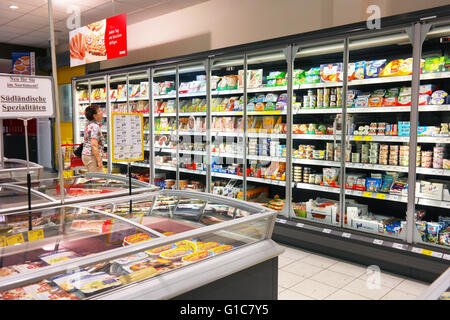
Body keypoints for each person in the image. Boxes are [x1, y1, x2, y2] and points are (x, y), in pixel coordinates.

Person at [81, 104, 105, 172]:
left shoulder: (89, 125)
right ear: (94, 116)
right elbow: (93, 144)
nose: (101, 112)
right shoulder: (95, 127)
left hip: (87, 155)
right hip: (92, 156)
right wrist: (99, 159)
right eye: (99, 111)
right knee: (97, 179)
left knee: (93, 177)